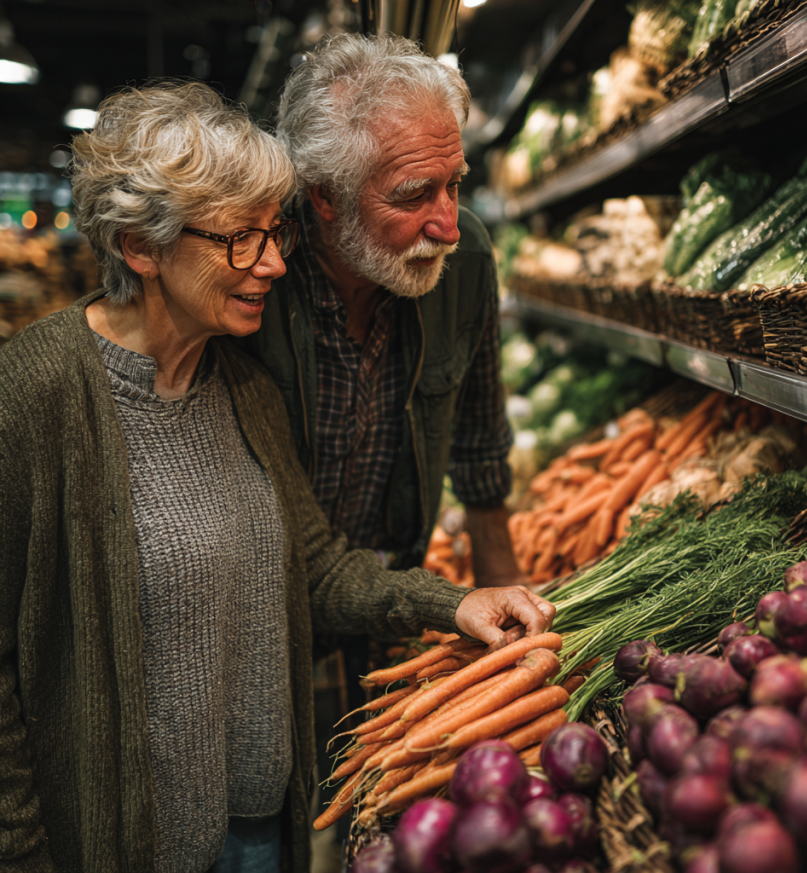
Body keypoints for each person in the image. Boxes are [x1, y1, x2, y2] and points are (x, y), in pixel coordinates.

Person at [0, 82, 555, 873]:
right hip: (126, 844)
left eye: (271, 234)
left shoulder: (241, 386)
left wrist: (454, 601)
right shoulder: (32, 396)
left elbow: (314, 564)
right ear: (141, 247)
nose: (271, 263)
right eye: (239, 240)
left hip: (262, 827)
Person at [244, 33, 526, 587]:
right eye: (414, 195)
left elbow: (479, 439)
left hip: (395, 597)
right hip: (272, 609)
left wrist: (505, 588)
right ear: (326, 196)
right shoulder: (254, 277)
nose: (446, 225)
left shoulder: (465, 257)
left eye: (454, 185)